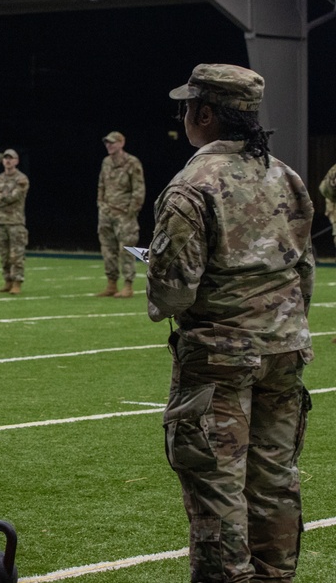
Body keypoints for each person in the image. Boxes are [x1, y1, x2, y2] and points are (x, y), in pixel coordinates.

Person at [147, 63, 314, 583]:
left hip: (220, 356)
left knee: (217, 485)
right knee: (274, 481)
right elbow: (302, 270)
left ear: (203, 113)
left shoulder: (192, 185)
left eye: (187, 108)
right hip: (284, 351)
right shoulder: (284, 175)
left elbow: (174, 292)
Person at [96, 130, 145, 297]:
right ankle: (111, 284)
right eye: (107, 143)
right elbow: (101, 184)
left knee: (127, 249)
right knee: (107, 249)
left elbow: (138, 189)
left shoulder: (132, 163)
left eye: (112, 142)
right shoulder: (106, 162)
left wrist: (131, 211)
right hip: (106, 213)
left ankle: (128, 285)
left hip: (125, 214)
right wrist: (101, 204)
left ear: (121, 143)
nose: (109, 145)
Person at [0, 148, 30, 294]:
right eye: (6, 158)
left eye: (11, 158)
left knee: (16, 254)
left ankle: (17, 282)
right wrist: (4, 197)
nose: (8, 160)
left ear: (16, 161)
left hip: (15, 222)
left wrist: (1, 197)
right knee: (4, 255)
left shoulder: (22, 179)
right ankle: (7, 281)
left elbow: (15, 197)